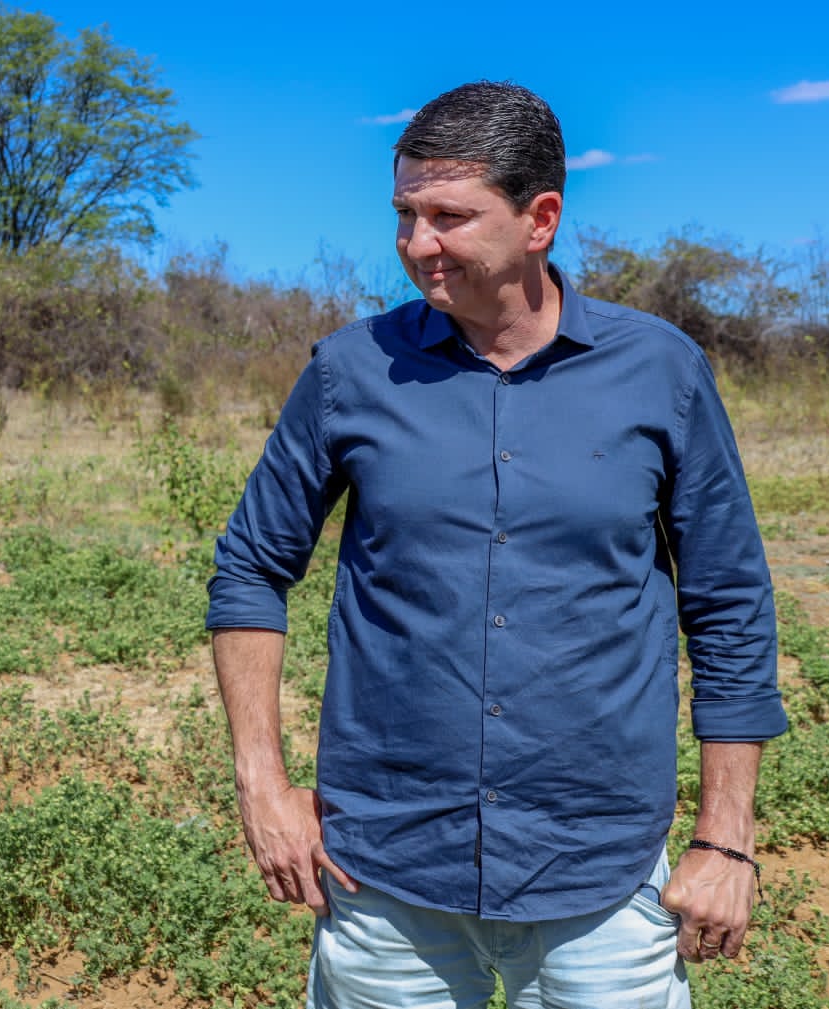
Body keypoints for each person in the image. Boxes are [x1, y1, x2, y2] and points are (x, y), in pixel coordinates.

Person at [207, 81, 787, 1008]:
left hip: (599, 866)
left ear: (540, 217)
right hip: (385, 868)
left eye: (448, 216)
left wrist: (725, 836)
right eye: (404, 214)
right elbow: (251, 568)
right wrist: (262, 786)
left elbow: (728, 605)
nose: (415, 244)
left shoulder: (661, 371)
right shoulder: (350, 370)